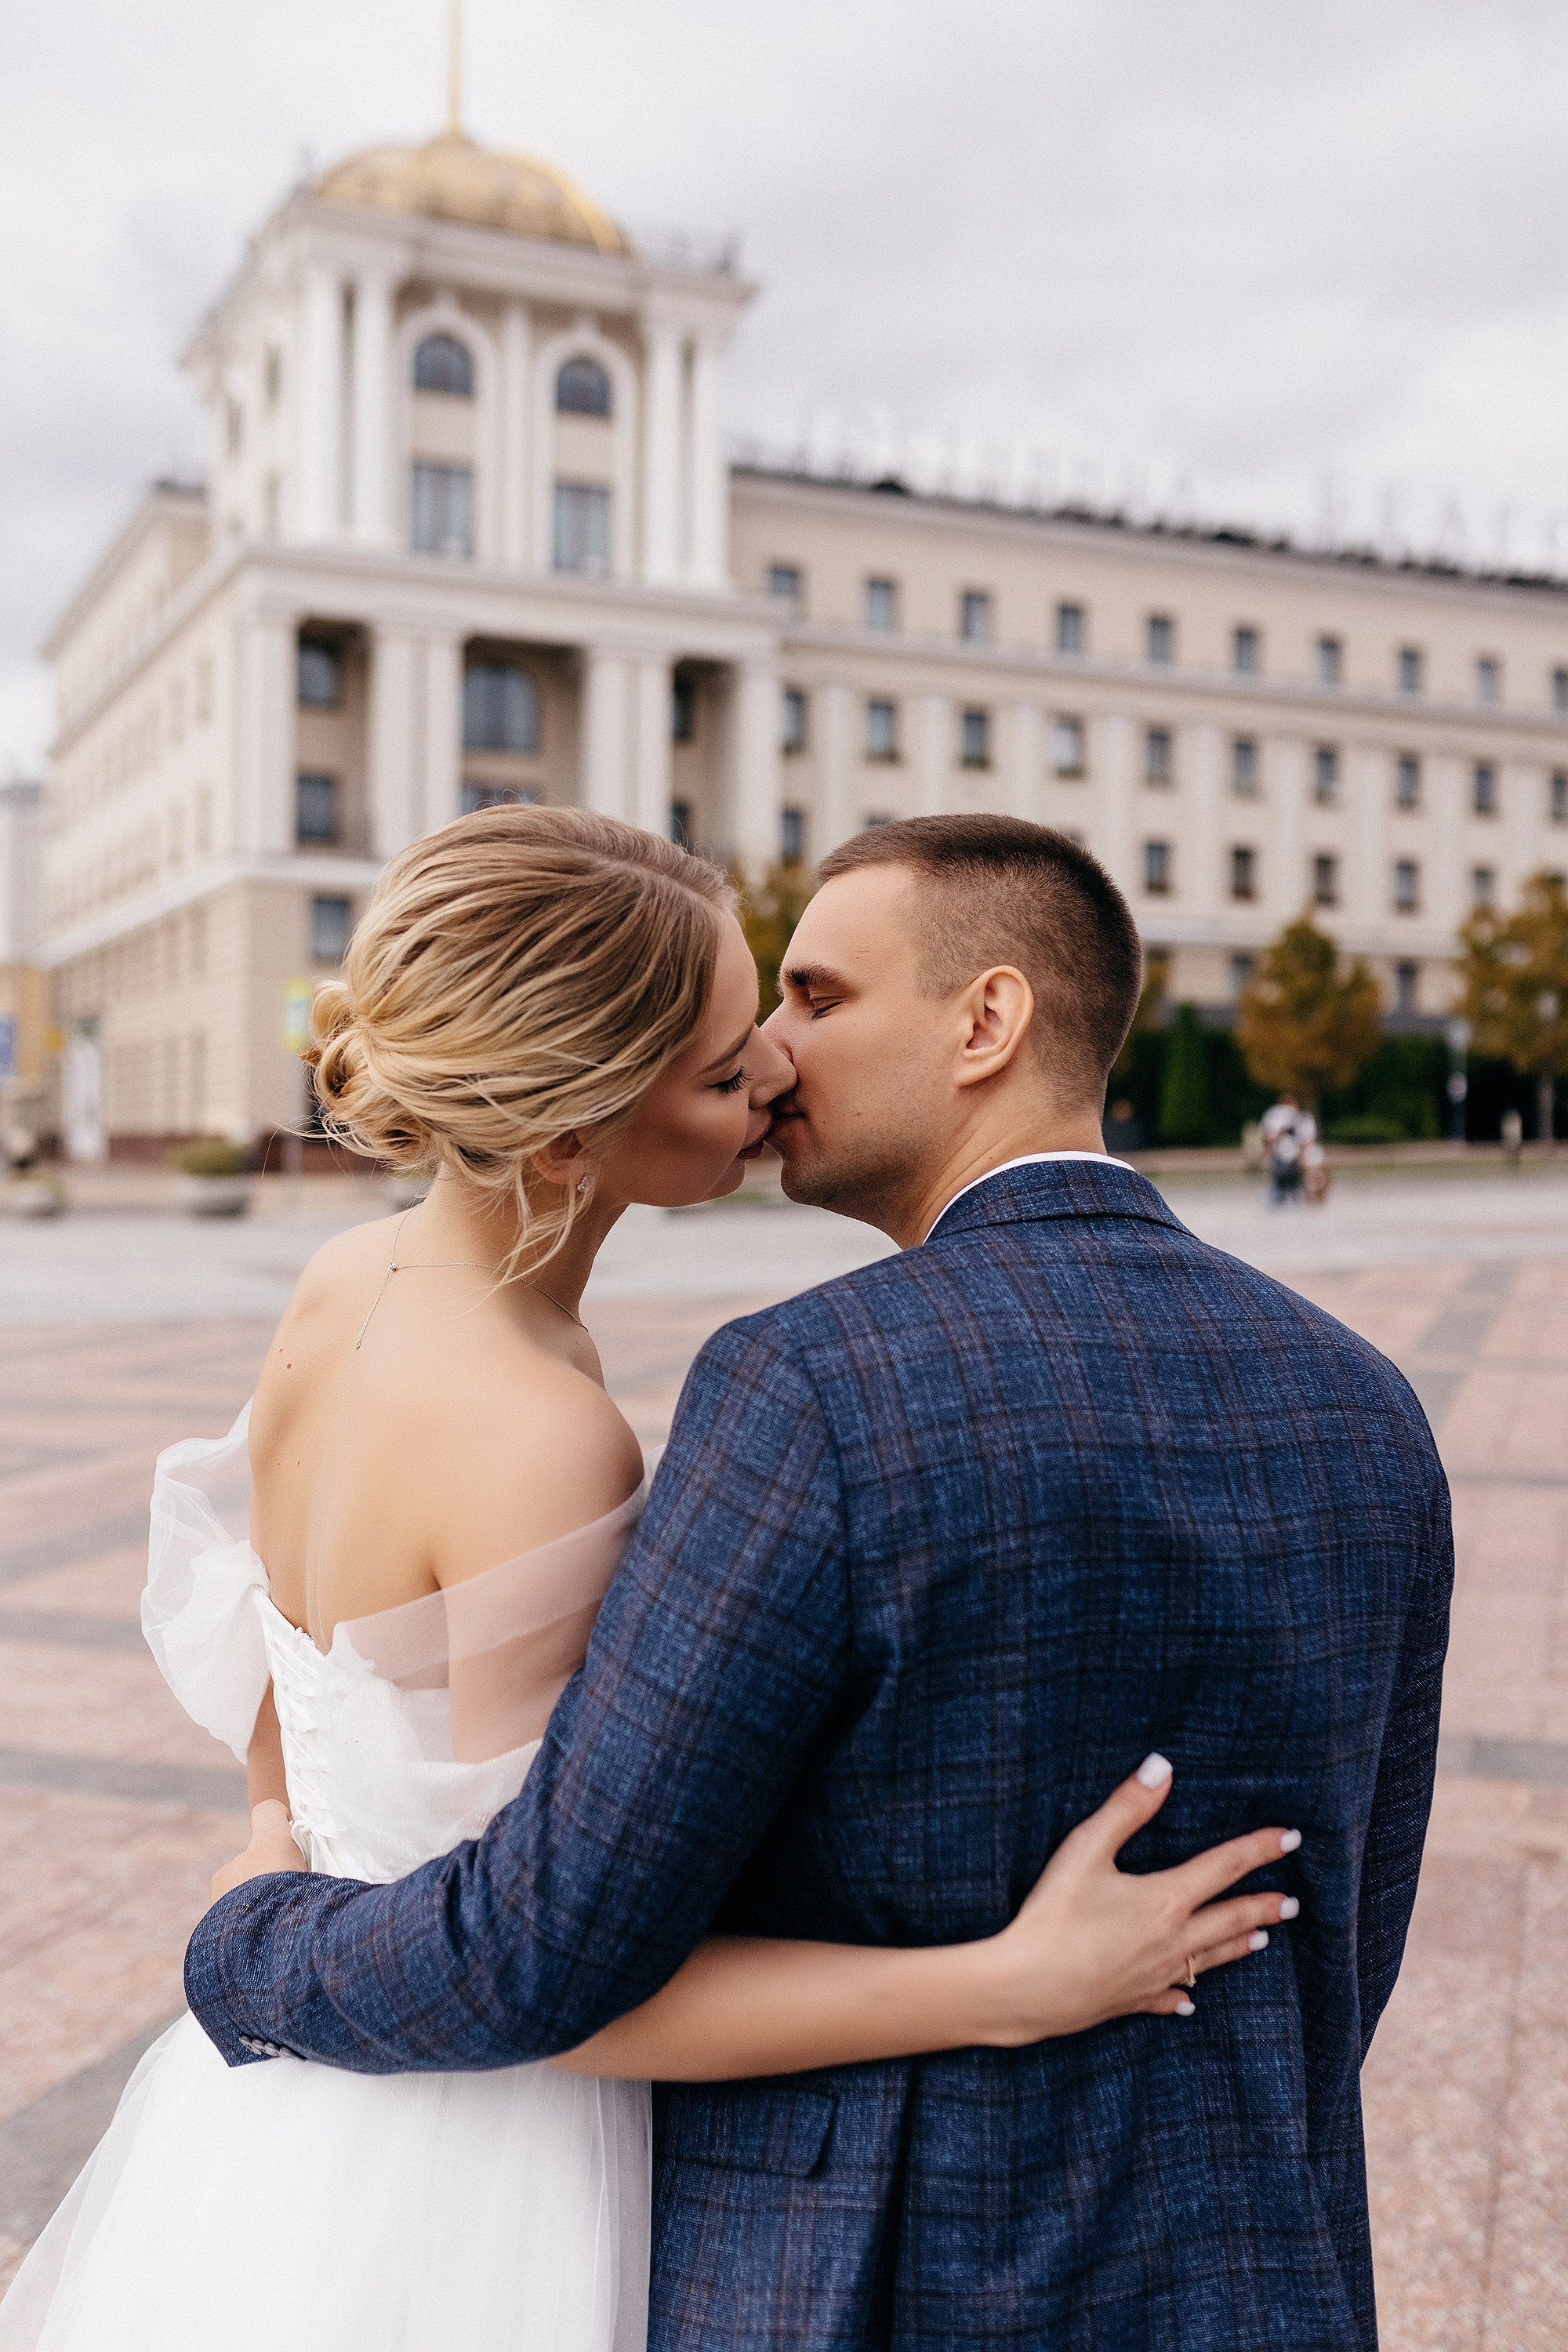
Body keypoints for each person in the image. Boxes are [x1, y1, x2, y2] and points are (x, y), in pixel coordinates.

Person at [0, 811, 1294, 2352]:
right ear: (564, 1135)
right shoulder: (544, 1434)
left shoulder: (346, 1280)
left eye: (768, 1023)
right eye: (721, 1065)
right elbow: (565, 1983)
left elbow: (290, 1652)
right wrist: (1009, 1982)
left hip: (280, 2127)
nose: (771, 1078)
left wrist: (282, 1840)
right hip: (475, 2168)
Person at [1261, 1090, 1315, 1205]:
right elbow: (1268, 1137)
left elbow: (1308, 1139)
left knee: (1294, 1180)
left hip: (1295, 1155)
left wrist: (1304, 1155)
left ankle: (1294, 1197)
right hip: (1279, 1154)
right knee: (1280, 1178)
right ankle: (1279, 1196)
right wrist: (1281, 1133)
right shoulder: (1274, 1116)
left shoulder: (1303, 1117)